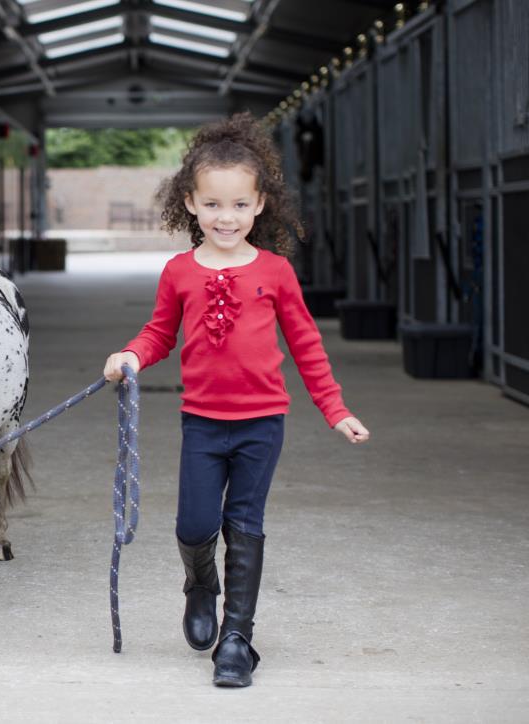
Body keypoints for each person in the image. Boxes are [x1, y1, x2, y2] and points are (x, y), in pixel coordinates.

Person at [103, 112, 370, 688]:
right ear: (191, 205)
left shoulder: (275, 272)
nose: (227, 217)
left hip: (262, 423)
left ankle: (236, 640)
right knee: (196, 524)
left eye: (240, 205)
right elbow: (158, 333)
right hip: (202, 422)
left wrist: (336, 409)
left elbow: (306, 345)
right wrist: (130, 356)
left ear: (261, 205)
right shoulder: (178, 271)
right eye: (214, 204)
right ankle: (200, 583)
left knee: (245, 525)